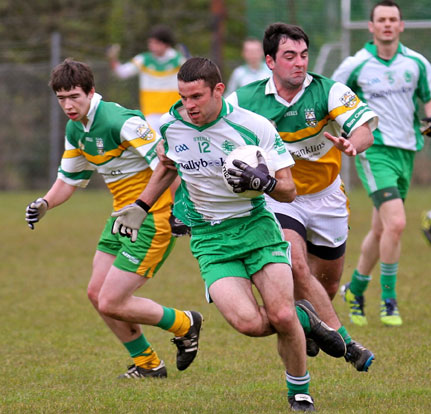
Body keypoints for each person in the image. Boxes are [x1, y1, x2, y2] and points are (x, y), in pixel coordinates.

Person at [110, 56, 349, 412]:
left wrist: (263, 181)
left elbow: (288, 190)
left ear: (218, 90)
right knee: (249, 323)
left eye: (196, 97)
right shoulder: (170, 124)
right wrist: (141, 206)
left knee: (280, 316)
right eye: (183, 97)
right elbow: (167, 166)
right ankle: (307, 317)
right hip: (210, 239)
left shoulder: (255, 126)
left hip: (257, 227)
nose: (188, 105)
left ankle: (299, 392)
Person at [25, 58, 202, 379]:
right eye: (61, 98)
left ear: (91, 92)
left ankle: (185, 323)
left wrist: (179, 210)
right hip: (120, 218)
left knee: (111, 300)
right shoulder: (75, 128)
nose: (68, 105)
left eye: (74, 96)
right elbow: (69, 179)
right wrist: (45, 203)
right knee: (96, 294)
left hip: (152, 218)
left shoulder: (122, 121)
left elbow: (167, 164)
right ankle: (149, 364)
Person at [227, 23, 377, 372]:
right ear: (270, 61)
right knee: (295, 264)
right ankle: (348, 344)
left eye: (304, 55)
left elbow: (364, 128)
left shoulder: (328, 91)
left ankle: (308, 322)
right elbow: (211, 124)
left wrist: (354, 143)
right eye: (289, 56)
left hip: (327, 198)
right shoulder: (244, 100)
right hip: (280, 197)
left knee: (329, 282)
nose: (299, 63)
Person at [332, 0, 431, 327]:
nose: (386, 24)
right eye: (380, 19)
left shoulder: (416, 63)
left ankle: (354, 289)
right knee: (396, 223)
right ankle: (389, 300)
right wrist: (351, 130)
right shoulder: (357, 64)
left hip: (407, 151)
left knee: (382, 228)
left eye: (392, 19)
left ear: (401, 25)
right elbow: (331, 96)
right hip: (374, 150)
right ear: (370, 26)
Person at [107, 24, 185, 131]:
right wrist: (112, 59)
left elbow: (193, 76)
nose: (152, 46)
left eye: (156, 43)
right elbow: (122, 72)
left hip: (173, 112)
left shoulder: (178, 60)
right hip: (151, 113)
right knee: (154, 145)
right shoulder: (144, 60)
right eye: (150, 43)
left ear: (166, 44)